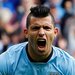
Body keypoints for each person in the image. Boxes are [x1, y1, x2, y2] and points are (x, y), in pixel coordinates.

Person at [0, 5, 75, 75]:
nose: (41, 33)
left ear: (55, 33)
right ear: (26, 33)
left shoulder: (68, 65)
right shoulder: (9, 60)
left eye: (46, 28)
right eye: (35, 28)